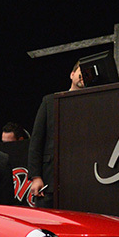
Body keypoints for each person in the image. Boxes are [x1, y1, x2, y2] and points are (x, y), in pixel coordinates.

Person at [28, 63, 83, 206]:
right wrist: (36, 176)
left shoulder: (95, 104)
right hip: (50, 178)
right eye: (80, 72)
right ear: (72, 74)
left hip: (81, 181)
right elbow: (36, 140)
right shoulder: (50, 101)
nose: (83, 76)